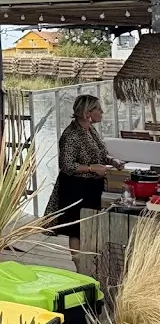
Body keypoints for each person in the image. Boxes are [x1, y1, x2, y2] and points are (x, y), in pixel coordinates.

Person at [47, 95, 122, 271]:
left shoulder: (90, 129)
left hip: (92, 187)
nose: (102, 112)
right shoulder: (70, 134)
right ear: (88, 113)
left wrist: (112, 161)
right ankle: (80, 267)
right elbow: (66, 165)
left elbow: (98, 153)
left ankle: (90, 263)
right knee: (76, 228)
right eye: (98, 109)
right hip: (75, 187)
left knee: (89, 225)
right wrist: (91, 168)